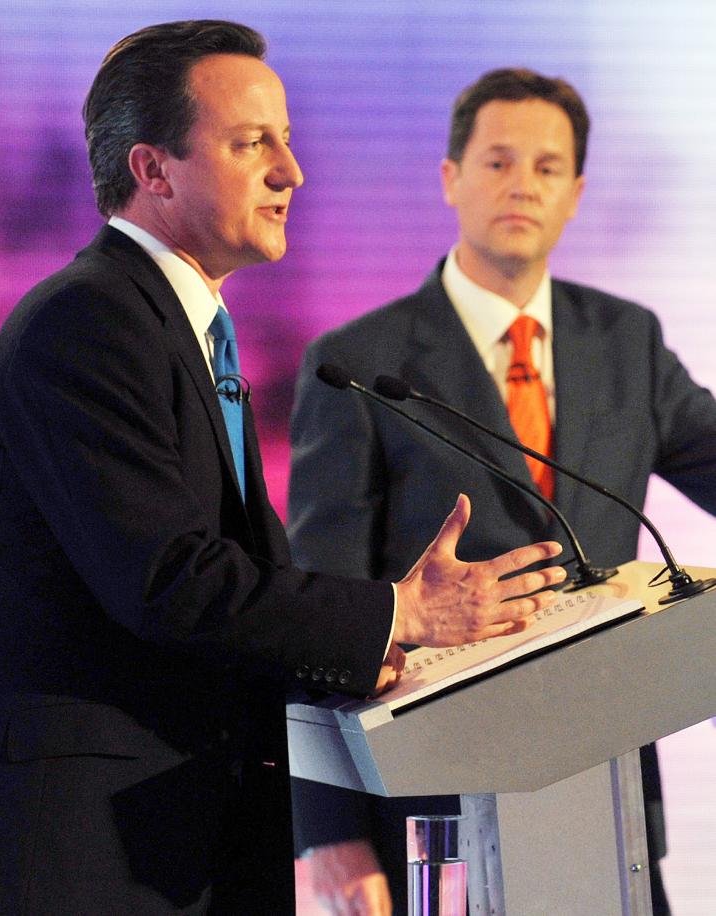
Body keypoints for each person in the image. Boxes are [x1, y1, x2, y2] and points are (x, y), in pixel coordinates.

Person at [0, 27, 568, 916]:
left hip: (178, 838)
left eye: (286, 140)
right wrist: (400, 612)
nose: (292, 171)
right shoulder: (88, 325)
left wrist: (382, 648)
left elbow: (235, 578)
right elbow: (170, 582)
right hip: (87, 854)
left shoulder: (180, 326)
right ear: (154, 169)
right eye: (253, 143)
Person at [288, 67, 716, 915]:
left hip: (611, 792)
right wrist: (326, 830)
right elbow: (321, 604)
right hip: (436, 816)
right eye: (497, 161)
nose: (523, 184)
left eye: (548, 167)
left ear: (577, 191)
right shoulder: (360, 364)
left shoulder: (626, 339)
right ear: (451, 178)